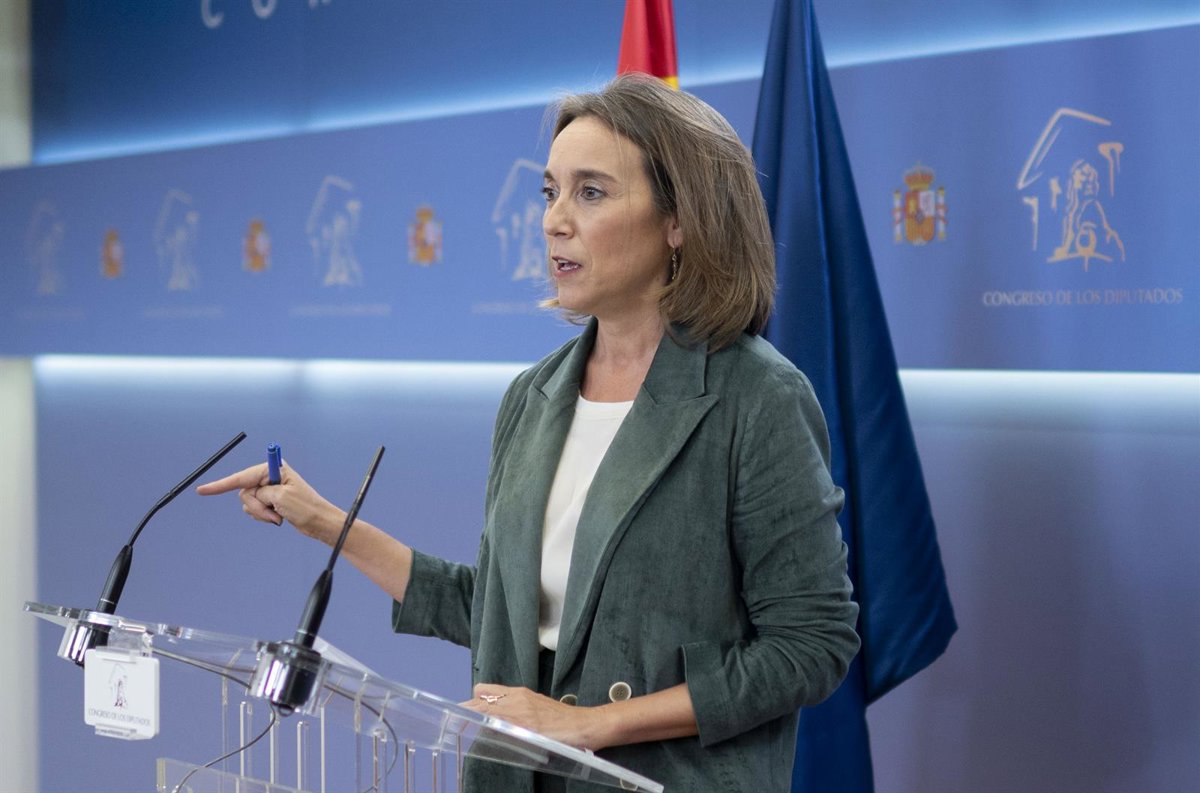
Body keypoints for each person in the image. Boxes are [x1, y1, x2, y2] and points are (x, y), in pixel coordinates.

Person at [198, 74, 859, 793]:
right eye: (550, 192)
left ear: (679, 220)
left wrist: (591, 724)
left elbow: (810, 645)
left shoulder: (757, 397)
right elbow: (498, 612)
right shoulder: (533, 396)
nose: (553, 220)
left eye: (591, 192)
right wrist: (323, 520)